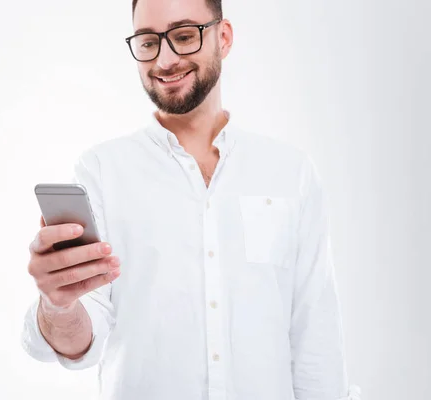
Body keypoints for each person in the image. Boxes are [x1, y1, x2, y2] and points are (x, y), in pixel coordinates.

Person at [22, 0, 361, 399]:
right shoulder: (101, 170)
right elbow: (82, 339)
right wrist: (57, 304)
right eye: (148, 42)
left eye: (183, 36)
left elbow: (315, 340)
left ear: (224, 36)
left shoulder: (291, 173)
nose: (165, 60)